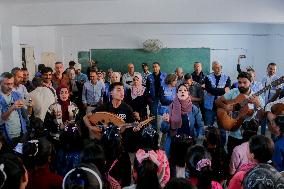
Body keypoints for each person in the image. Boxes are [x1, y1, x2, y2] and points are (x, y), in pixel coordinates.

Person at [215, 71, 264, 156]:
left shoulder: (257, 97)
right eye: (239, 82)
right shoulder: (233, 91)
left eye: (245, 82)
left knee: (247, 160)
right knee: (231, 157)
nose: (241, 85)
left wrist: (258, 105)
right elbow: (217, 102)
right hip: (233, 134)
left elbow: (262, 117)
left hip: (249, 135)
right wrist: (226, 107)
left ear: (251, 82)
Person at [161, 84, 204, 156]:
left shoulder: (194, 109)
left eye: (185, 90)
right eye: (180, 90)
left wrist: (196, 137)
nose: (182, 92)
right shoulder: (170, 108)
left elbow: (200, 126)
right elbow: (163, 130)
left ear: (188, 93)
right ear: (177, 93)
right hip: (173, 142)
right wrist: (167, 122)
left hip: (189, 143)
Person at [204, 61, 231, 146]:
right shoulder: (207, 77)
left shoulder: (227, 78)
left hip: (222, 107)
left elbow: (228, 92)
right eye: (216, 67)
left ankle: (221, 147)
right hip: (210, 107)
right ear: (212, 68)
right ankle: (209, 145)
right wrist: (223, 90)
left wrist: (213, 91)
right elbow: (209, 89)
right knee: (208, 128)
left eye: (219, 67)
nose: (218, 68)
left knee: (222, 129)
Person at [0, 72, 28, 146]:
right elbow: (1, 120)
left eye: (12, 83)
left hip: (22, 132)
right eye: (7, 84)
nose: (10, 87)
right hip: (8, 136)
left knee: (22, 156)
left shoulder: (16, 94)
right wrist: (12, 108)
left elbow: (24, 115)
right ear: (0, 83)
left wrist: (26, 106)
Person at [146, 62, 167, 130]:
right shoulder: (149, 77)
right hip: (154, 98)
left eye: (156, 66)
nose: (155, 68)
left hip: (163, 99)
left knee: (164, 114)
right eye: (153, 67)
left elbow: (168, 86)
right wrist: (149, 97)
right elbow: (147, 88)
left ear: (159, 67)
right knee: (153, 114)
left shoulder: (165, 75)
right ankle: (154, 129)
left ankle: (164, 128)